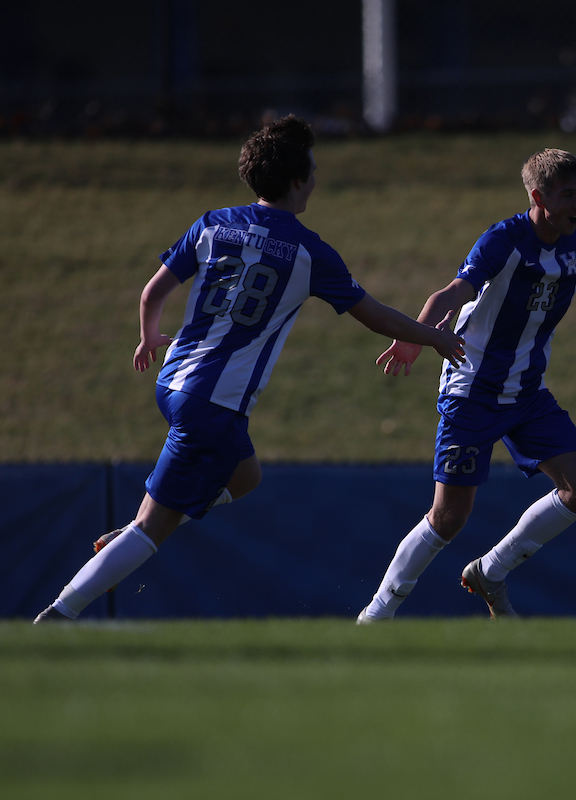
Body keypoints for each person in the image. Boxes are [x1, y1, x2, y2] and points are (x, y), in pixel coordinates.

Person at [33, 115, 465, 624]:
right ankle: (61, 613)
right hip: (214, 404)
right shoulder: (308, 251)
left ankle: (140, 523)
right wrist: (434, 335)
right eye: (313, 167)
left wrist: (150, 335)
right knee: (155, 527)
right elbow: (373, 315)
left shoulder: (214, 222)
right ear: (299, 180)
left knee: (246, 476)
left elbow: (153, 292)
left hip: (174, 381)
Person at [358, 148, 576, 622]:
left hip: (527, 394)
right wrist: (413, 339)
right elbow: (450, 293)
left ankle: (492, 570)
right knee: (448, 517)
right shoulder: (503, 241)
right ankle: (376, 616)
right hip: (471, 390)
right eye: (568, 194)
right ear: (538, 196)